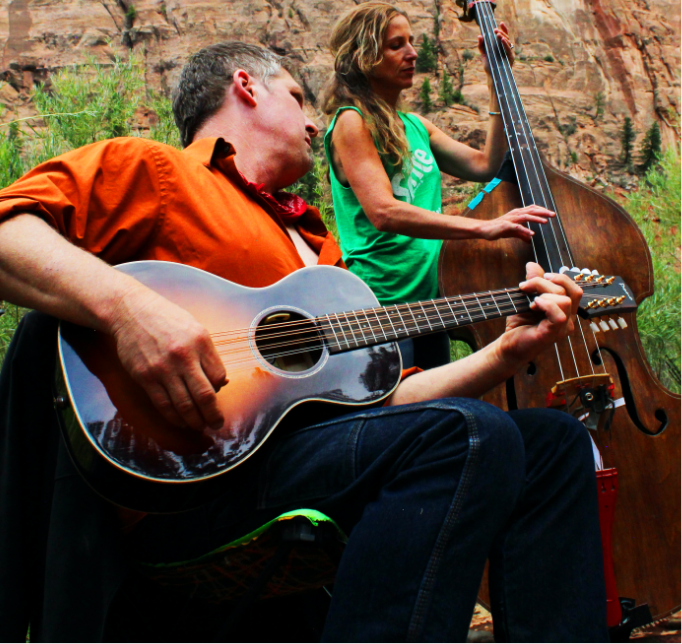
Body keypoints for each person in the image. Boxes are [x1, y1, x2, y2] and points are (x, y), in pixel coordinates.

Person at [0, 41, 608, 643]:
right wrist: (128, 310)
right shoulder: (158, 170)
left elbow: (385, 404)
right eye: (297, 97)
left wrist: (501, 355)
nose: (316, 121)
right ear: (246, 86)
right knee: (470, 433)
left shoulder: (323, 260)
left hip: (311, 463)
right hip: (194, 483)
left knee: (552, 441)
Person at [323, 2, 554, 368]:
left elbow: (486, 164)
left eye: (411, 42)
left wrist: (497, 79)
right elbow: (384, 212)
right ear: (363, 57)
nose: (412, 53)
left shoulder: (416, 125)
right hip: (384, 302)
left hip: (432, 300)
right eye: (395, 45)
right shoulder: (352, 123)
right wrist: (483, 227)